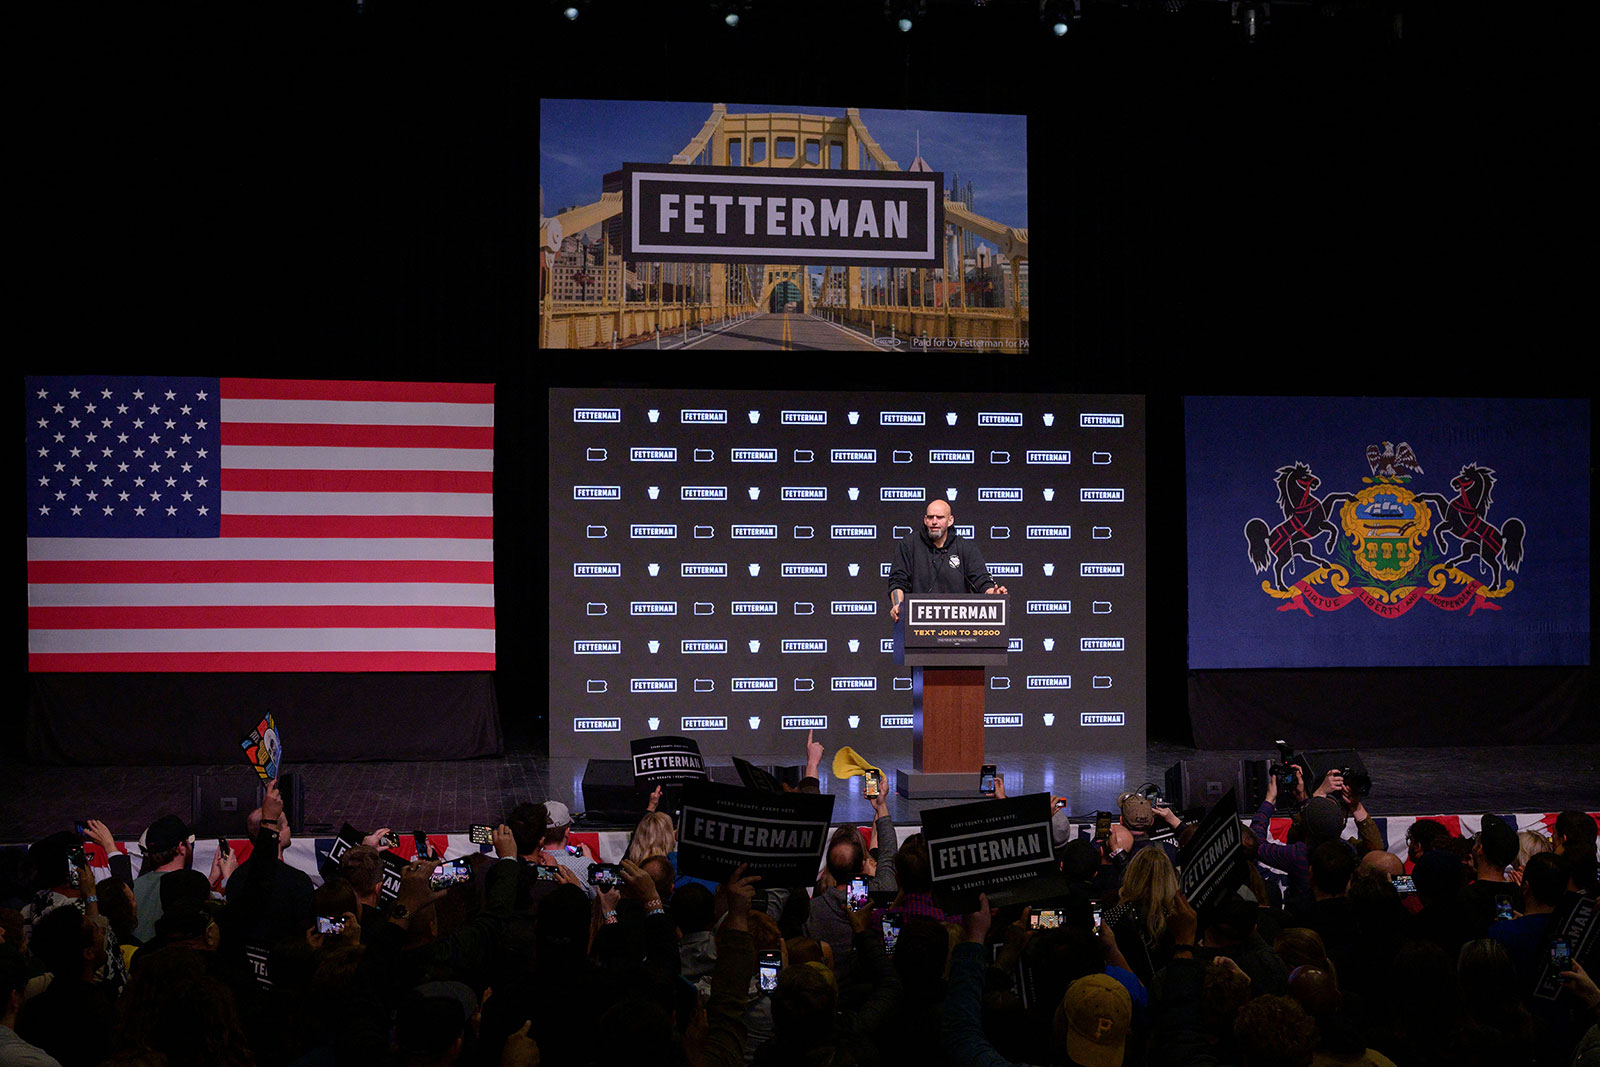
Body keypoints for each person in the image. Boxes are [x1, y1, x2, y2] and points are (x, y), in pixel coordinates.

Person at [887, 499, 1008, 622]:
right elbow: (898, 581)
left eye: (940, 517)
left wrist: (993, 594)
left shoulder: (966, 547)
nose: (934, 522)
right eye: (930, 517)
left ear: (950, 521)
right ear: (925, 520)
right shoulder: (908, 545)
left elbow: (981, 580)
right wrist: (898, 605)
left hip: (958, 625)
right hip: (917, 623)